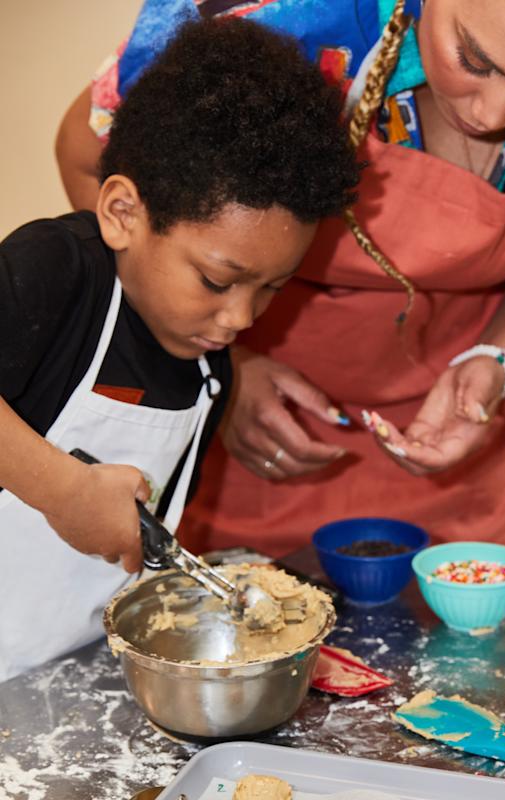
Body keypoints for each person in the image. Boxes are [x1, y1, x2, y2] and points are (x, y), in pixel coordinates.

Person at [56, 0, 505, 558]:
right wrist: (227, 365)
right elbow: (88, 158)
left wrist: (500, 358)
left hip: (456, 442)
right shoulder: (280, 25)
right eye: (473, 58)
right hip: (250, 409)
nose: (494, 113)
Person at [0, 17, 358, 682]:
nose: (239, 318)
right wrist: (65, 491)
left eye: (271, 288)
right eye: (217, 281)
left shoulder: (204, 364)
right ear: (122, 214)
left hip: (62, 677)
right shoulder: (55, 272)